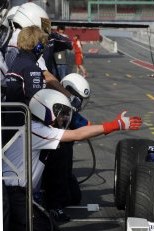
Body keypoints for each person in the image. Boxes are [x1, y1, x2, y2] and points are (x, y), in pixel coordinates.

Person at [2, 88, 142, 231]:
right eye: (59, 112)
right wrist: (115, 125)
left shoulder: (34, 128)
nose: (63, 118)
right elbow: (77, 134)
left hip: (16, 192)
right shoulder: (37, 130)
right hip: (13, 192)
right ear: (44, 109)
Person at [4, 2, 81, 110]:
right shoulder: (29, 45)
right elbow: (46, 76)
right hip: (24, 105)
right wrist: (70, 97)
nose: (44, 28)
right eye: (43, 23)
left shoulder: (14, 38)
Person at [41, 73, 90, 221]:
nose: (79, 103)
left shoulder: (70, 112)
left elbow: (86, 125)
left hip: (64, 169)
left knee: (74, 197)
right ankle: (54, 206)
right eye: (77, 98)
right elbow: (85, 126)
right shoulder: (54, 105)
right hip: (50, 160)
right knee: (59, 155)